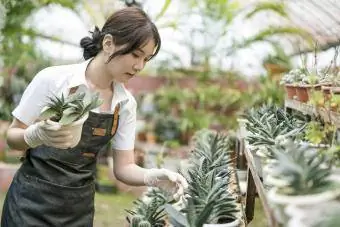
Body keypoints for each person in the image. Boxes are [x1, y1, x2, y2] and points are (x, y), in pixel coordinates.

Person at [1, 6, 188, 226]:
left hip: (78, 211)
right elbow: (12, 137)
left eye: (146, 59)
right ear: (108, 43)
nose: (139, 66)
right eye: (135, 55)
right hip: (28, 206)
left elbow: (124, 168)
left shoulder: (125, 104)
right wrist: (35, 135)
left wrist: (154, 176)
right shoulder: (52, 79)